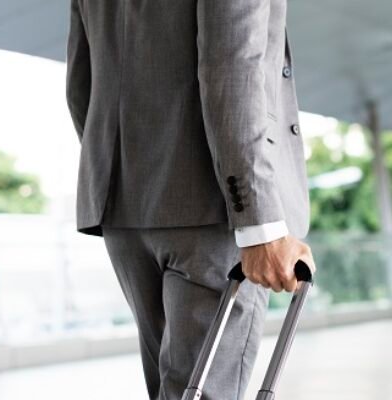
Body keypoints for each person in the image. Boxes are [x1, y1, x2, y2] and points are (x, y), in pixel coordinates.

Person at [66, 1, 314, 399]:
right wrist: (259, 220)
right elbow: (233, 69)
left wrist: (131, 175)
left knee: (176, 391)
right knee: (203, 392)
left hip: (125, 210)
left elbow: (82, 86)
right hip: (214, 209)